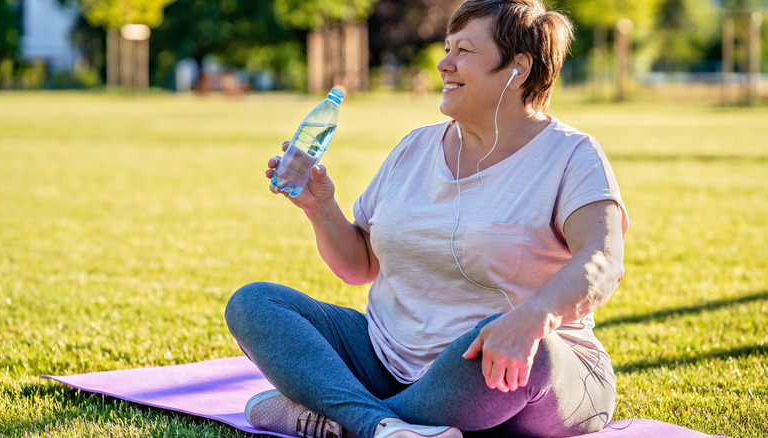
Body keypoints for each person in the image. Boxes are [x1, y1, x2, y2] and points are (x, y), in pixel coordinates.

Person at [225, 0, 629, 437]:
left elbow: (602, 261)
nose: (443, 64)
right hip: (388, 361)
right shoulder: (414, 148)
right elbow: (359, 266)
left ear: (518, 68)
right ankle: (383, 425)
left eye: (465, 52)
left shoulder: (571, 155)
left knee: (524, 350)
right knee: (256, 303)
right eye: (447, 48)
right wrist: (319, 207)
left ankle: (344, 418)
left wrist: (531, 320)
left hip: (514, 372)